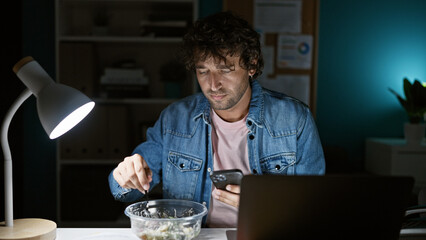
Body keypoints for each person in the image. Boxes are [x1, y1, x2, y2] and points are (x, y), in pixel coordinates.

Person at [108, 11, 325, 228]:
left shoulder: (295, 119)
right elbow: (124, 190)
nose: (213, 84)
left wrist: (265, 205)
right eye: (203, 72)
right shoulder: (175, 119)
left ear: (251, 65)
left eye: (225, 70)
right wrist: (125, 176)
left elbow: (315, 204)